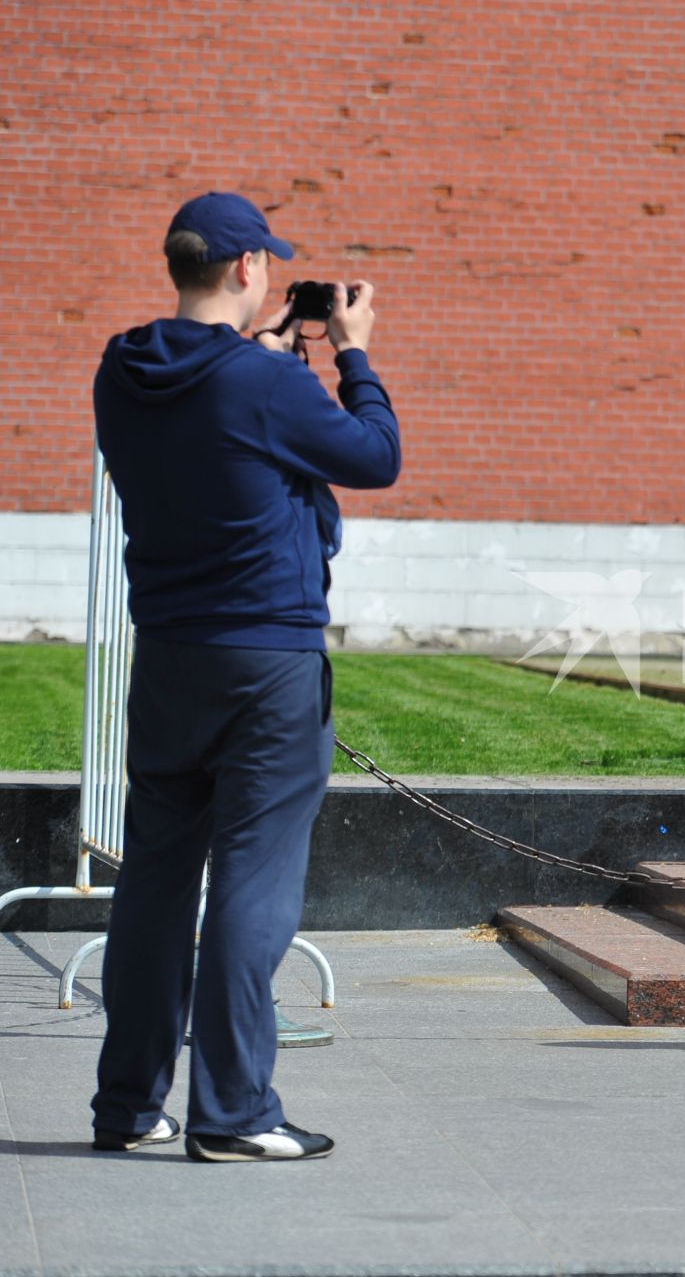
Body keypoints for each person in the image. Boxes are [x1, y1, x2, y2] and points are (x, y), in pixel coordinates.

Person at [88, 191, 400, 1161]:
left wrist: (265, 361)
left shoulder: (121, 367)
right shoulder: (262, 386)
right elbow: (375, 458)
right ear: (246, 270)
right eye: (266, 260)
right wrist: (350, 352)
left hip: (170, 652)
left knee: (153, 881)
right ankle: (234, 1110)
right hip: (265, 658)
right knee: (253, 883)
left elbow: (213, 427)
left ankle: (130, 1103)